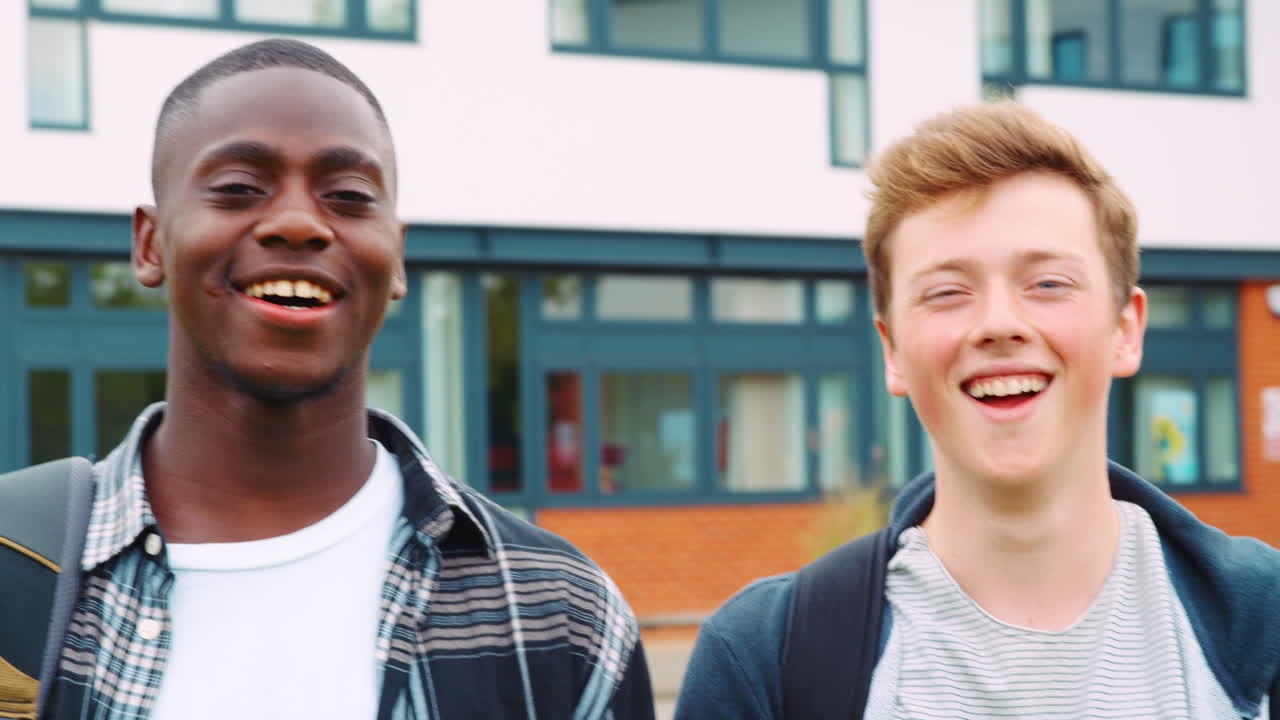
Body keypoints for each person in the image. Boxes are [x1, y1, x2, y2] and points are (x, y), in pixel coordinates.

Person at [43, 38, 653, 720]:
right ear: (150, 244)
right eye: (239, 189)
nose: (300, 222)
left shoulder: (561, 618)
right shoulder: (20, 574)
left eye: (349, 197)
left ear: (396, 257)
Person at [675, 102, 1280, 719]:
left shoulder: (1268, 621)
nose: (998, 324)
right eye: (947, 292)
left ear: (1126, 329)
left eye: (1047, 284)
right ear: (892, 353)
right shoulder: (761, 659)